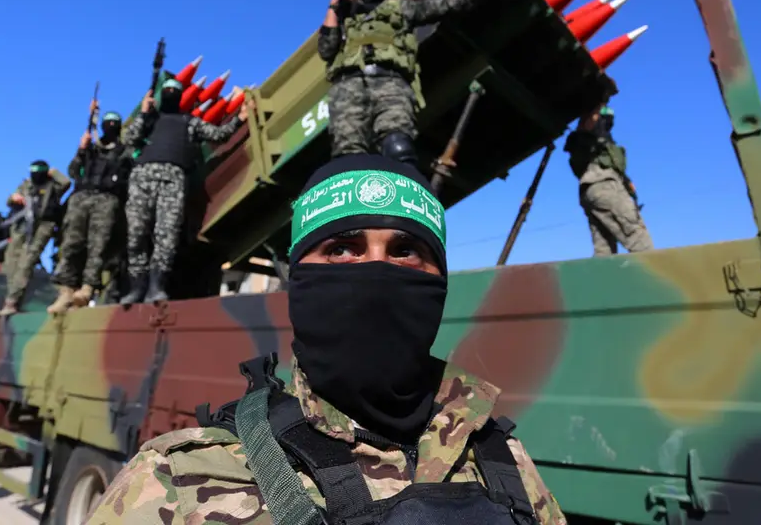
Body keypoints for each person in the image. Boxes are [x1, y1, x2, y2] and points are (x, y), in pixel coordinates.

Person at [86, 153, 568, 525]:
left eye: (405, 250)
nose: (376, 270)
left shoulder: (503, 462)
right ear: (298, 278)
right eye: (341, 248)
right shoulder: (180, 479)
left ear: (439, 280)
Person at [317, 0, 515, 167]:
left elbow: (454, 4)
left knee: (398, 148)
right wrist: (335, 3)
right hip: (348, 87)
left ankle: (401, 198)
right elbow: (326, 49)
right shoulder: (345, 18)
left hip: (390, 83)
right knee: (348, 159)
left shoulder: (402, 10)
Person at [120, 79, 248, 304]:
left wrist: (239, 119)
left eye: (174, 91)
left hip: (173, 181)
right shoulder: (150, 119)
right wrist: (143, 112)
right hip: (143, 178)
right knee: (136, 234)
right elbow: (129, 139)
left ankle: (156, 287)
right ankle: (136, 288)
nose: (170, 93)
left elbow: (218, 135)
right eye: (167, 90)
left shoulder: (190, 122)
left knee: (166, 236)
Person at [48, 104, 133, 313]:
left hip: (106, 200)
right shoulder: (91, 149)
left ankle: (87, 289)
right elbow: (74, 171)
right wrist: (81, 149)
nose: (110, 126)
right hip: (81, 197)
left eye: (114, 123)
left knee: (98, 246)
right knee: (72, 244)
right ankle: (66, 291)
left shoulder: (124, 152)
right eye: (108, 123)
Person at [564, 104, 652, 256]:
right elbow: (589, 119)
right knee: (637, 237)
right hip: (605, 186)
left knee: (604, 251)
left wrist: (627, 183)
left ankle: (603, 279)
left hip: (592, 190)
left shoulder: (601, 141)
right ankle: (653, 278)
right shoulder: (592, 130)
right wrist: (599, 99)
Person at [0, 160, 72, 316]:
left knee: (26, 263)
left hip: (42, 226)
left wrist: (53, 172)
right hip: (22, 226)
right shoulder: (26, 186)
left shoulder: (53, 186)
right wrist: (14, 198)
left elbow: (66, 182)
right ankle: (11, 297)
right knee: (11, 263)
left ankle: (12, 302)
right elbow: (10, 201)